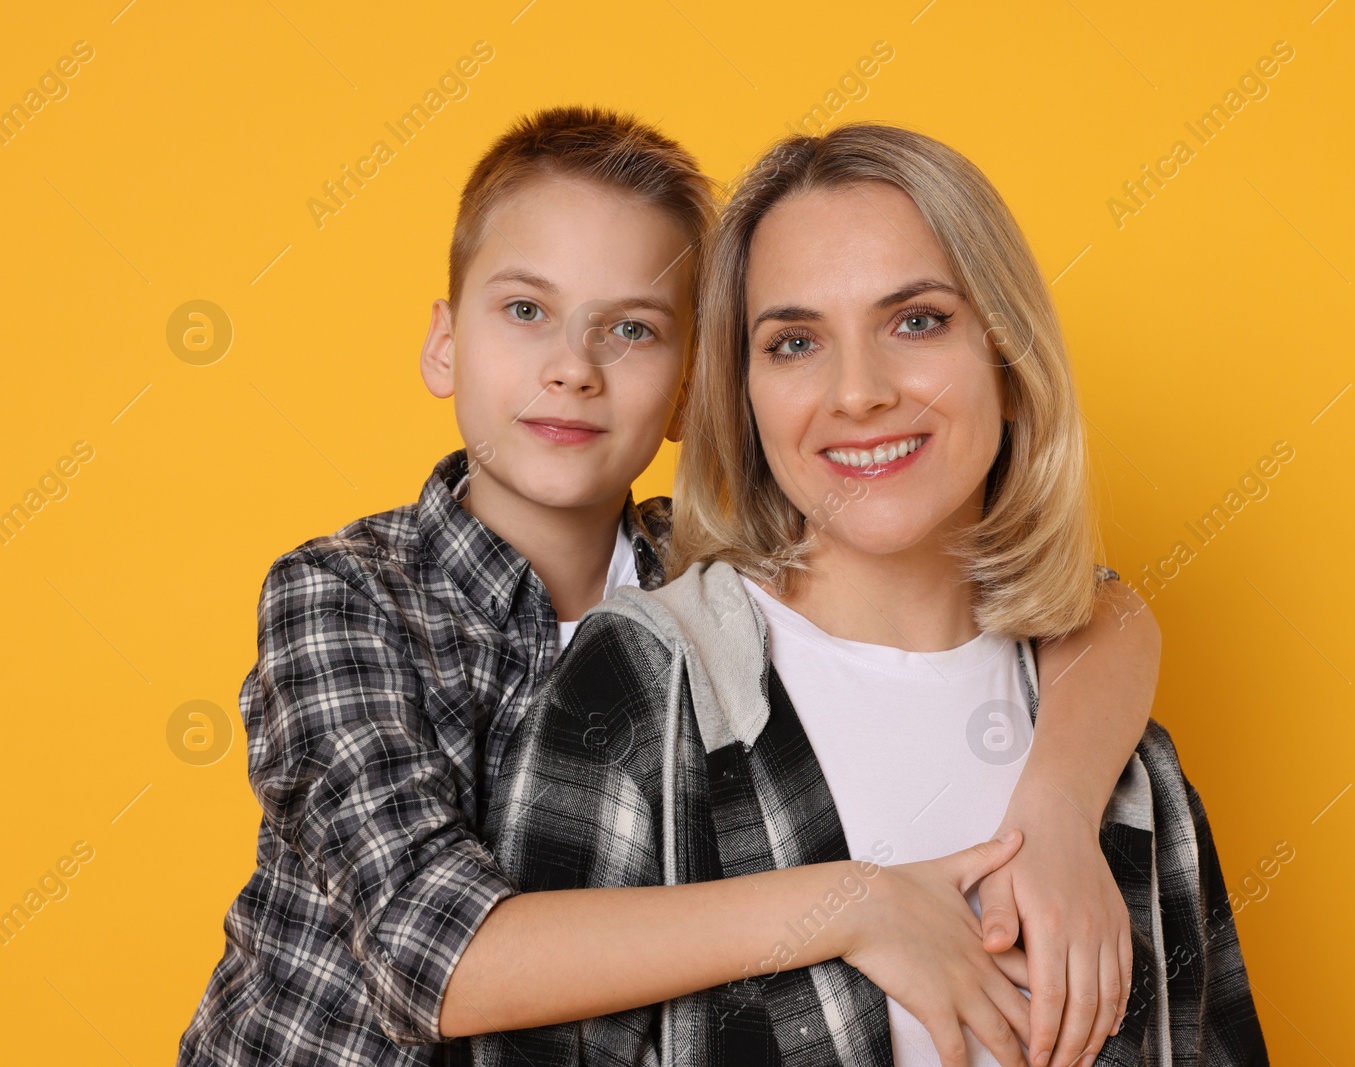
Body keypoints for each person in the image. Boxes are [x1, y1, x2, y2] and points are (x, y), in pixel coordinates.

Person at [178, 109, 1161, 1067]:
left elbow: (1094, 609)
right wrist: (852, 904)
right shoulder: (347, 596)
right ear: (443, 342)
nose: (571, 369)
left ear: (694, 386)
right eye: (526, 311)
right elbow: (431, 959)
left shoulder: (699, 581)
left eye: (633, 330)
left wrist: (1063, 806)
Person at [472, 123, 1269, 1067]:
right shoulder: (646, 688)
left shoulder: (1113, 751)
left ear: (1009, 363)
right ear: (745, 396)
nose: (858, 393)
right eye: (795, 341)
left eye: (918, 320)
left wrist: (1057, 813)